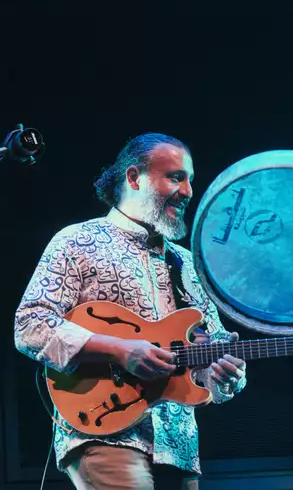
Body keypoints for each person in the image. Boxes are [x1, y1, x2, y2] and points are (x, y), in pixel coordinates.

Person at [14, 133, 247, 490]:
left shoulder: (188, 264)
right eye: (176, 177)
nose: (188, 191)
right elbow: (30, 325)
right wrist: (120, 350)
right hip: (103, 431)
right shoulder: (76, 241)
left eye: (190, 180)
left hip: (179, 446)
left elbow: (208, 352)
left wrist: (224, 376)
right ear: (134, 178)